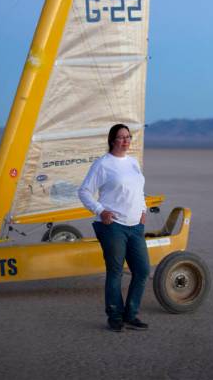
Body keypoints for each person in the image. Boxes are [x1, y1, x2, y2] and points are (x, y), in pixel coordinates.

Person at [78, 123, 150, 332]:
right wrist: (100, 211)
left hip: (136, 226)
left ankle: (131, 314)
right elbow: (84, 191)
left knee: (143, 270)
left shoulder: (133, 162)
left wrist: (143, 209)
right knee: (115, 272)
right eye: (121, 137)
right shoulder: (103, 164)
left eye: (128, 137)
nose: (126, 141)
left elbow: (138, 189)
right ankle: (115, 316)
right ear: (112, 140)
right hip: (114, 226)